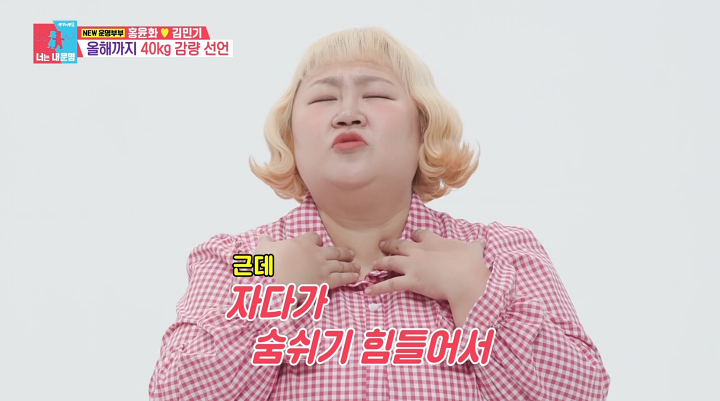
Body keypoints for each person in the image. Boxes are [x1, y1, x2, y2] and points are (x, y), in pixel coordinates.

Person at [148, 27, 610, 400]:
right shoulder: (243, 261)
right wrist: (274, 296)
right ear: (291, 139)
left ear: (423, 128)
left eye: (376, 96)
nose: (348, 113)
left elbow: (583, 392)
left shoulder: (499, 255)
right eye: (323, 99)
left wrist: (475, 292)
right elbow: (174, 393)